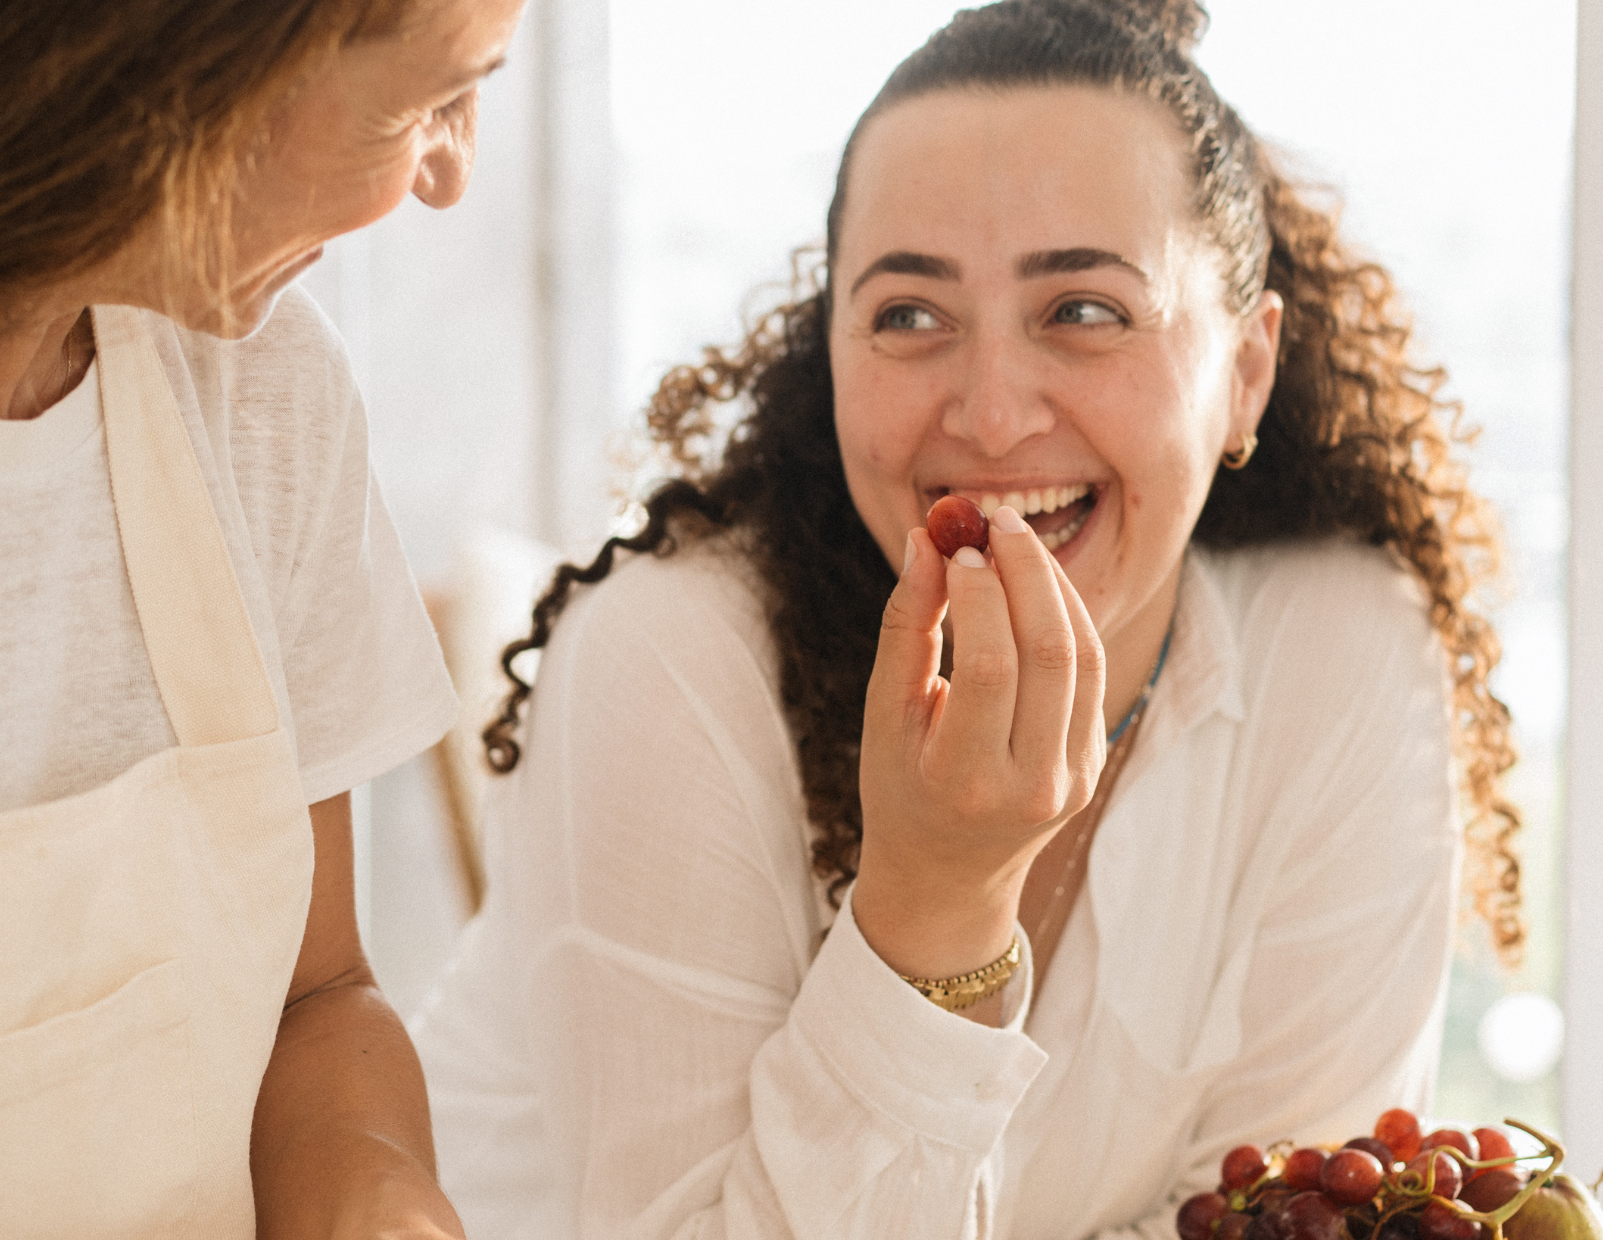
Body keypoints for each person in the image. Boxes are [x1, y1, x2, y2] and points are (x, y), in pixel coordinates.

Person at [415, 1, 1523, 1236]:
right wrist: (935, 897)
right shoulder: (666, 659)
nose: (991, 417)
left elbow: (1288, 1219)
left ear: (1243, 374)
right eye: (908, 315)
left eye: (1083, 311)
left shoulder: (1341, 653)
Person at [0, 0, 524, 1234]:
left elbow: (310, 996)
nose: (448, 178)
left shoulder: (260, 393)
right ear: (188, 54)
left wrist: (373, 1190)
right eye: (428, 101)